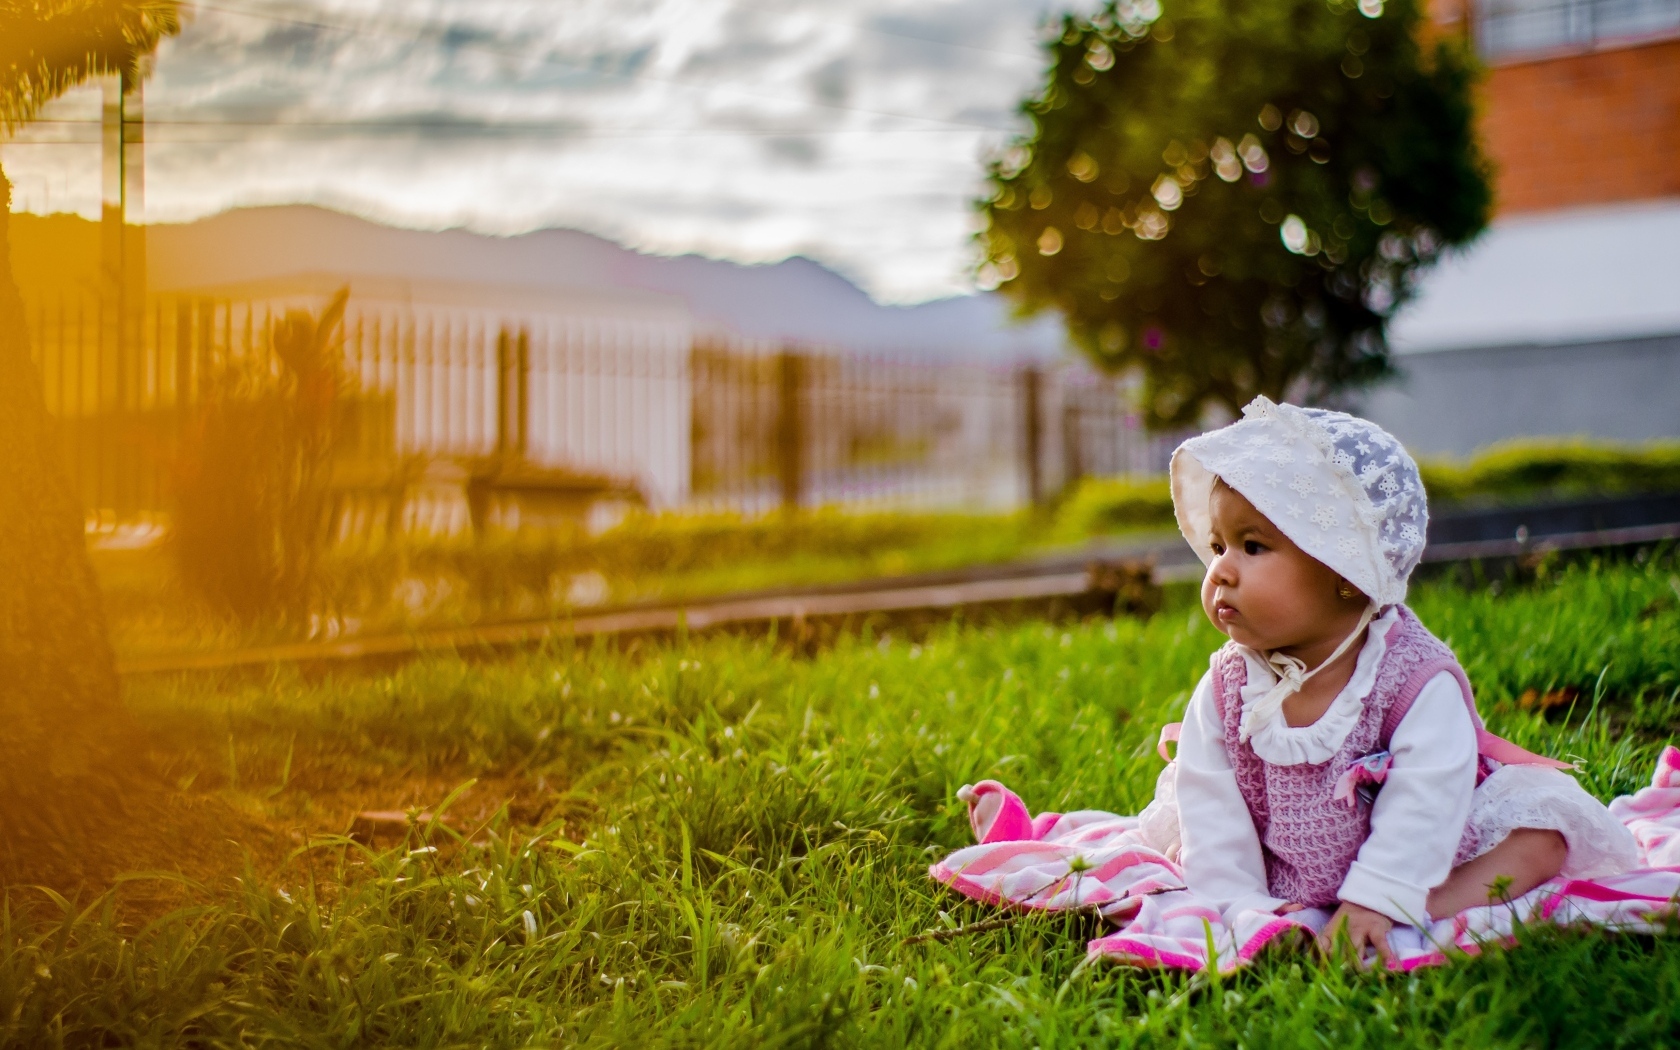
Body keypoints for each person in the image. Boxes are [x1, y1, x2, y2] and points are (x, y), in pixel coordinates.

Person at [1162, 397, 1638, 963]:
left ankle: (1417, 903)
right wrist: (1242, 908)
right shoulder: (1226, 689)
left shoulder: (1411, 677)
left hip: (1431, 848)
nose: (1220, 570)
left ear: (1346, 571)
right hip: (1285, 863)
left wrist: (1379, 894)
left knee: (1541, 841)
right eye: (1218, 547)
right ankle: (1301, 917)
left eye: (1253, 546)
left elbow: (1427, 798)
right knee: (1195, 845)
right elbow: (1214, 812)